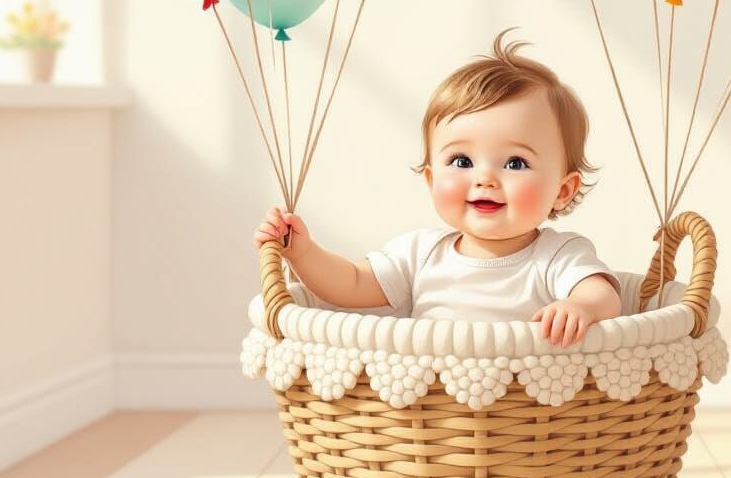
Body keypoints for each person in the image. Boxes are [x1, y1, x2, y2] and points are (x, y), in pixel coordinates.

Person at [254, 30, 623, 347]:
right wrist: (302, 253)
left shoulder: (557, 256)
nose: (485, 179)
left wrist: (580, 308)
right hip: (432, 407)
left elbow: (602, 294)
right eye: (462, 161)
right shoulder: (420, 253)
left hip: (524, 406)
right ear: (431, 179)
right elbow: (350, 285)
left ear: (563, 190)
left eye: (515, 163)